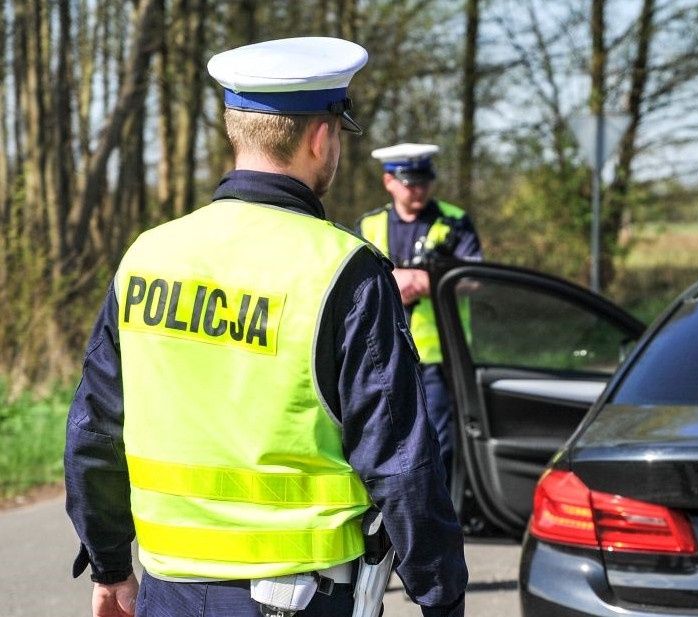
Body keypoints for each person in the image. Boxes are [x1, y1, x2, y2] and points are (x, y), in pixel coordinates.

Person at [64, 37, 467, 617]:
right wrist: (441, 597)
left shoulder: (146, 255)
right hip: (299, 599)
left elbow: (94, 431)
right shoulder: (344, 270)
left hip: (167, 592)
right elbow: (400, 461)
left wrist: (109, 566)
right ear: (321, 138)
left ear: (237, 131)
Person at [356, 144, 483, 487]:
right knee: (383, 438)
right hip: (383, 354)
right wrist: (392, 280)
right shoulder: (369, 225)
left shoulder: (453, 221)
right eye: (410, 182)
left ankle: (438, 505)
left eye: (424, 181)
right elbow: (351, 282)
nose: (419, 190)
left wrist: (422, 281)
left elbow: (474, 278)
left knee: (437, 442)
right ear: (389, 182)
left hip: (438, 357)